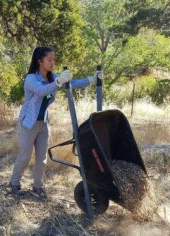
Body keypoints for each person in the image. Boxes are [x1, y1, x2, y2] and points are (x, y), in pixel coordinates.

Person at [8, 47, 102, 198]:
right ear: (40, 61)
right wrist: (59, 81)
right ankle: (14, 182)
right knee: (25, 156)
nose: (53, 63)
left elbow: (73, 83)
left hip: (43, 124)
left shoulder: (53, 77)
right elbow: (41, 91)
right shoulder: (31, 78)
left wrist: (92, 79)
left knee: (42, 158)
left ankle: (38, 186)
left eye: (54, 60)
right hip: (28, 123)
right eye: (49, 60)